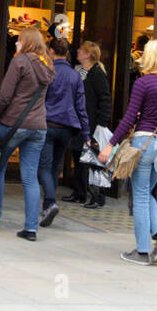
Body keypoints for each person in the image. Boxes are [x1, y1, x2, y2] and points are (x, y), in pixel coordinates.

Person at [99, 39, 157, 265]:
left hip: (145, 143)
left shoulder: (143, 84)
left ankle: (142, 251)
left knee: (141, 195)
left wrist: (110, 144)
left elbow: (128, 118)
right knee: (147, 192)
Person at [0, 27, 55, 240]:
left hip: (14, 124)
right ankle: (31, 229)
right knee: (30, 177)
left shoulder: (19, 62)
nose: (16, 43)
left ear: (27, 42)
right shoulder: (47, 65)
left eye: (19, 40)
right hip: (39, 127)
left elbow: (5, 96)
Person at [37, 37, 90, 227]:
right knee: (55, 167)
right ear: (67, 53)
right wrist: (86, 135)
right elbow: (81, 107)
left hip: (47, 123)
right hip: (67, 127)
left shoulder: (47, 70)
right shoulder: (76, 75)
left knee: (44, 167)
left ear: (51, 51)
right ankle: (47, 208)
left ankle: (50, 202)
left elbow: (38, 98)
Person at [75, 40, 112, 208]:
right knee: (80, 157)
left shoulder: (97, 74)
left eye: (81, 50)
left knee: (94, 160)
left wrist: (102, 123)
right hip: (83, 121)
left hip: (93, 123)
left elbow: (105, 99)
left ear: (88, 54)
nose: (77, 52)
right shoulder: (83, 71)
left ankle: (97, 195)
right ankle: (80, 192)